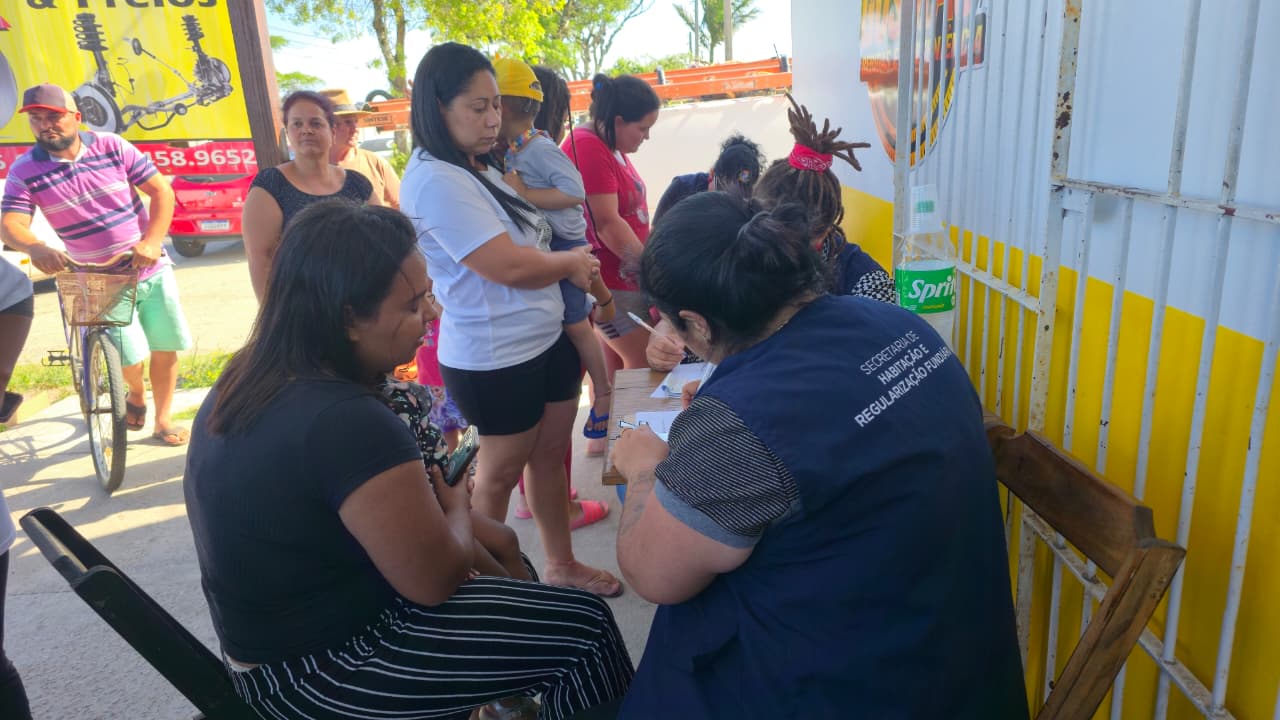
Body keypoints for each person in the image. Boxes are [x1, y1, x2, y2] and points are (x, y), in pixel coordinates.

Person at [184, 199, 633, 720]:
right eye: (413, 303)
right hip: (321, 674)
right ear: (349, 318)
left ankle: (506, 702)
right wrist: (453, 501)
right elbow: (437, 580)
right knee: (585, 629)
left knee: (518, 568)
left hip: (270, 654)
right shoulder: (345, 418)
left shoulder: (251, 375)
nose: (432, 313)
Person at [610, 192, 1028, 718]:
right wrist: (728, 412)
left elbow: (652, 576)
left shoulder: (739, 430)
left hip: (857, 686)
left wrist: (646, 465)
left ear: (697, 323)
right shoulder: (899, 324)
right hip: (963, 663)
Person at [400, 42, 620, 595]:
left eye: (498, 105)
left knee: (550, 457)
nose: (494, 118)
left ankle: (561, 564)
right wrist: (572, 262)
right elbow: (506, 265)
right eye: (478, 107)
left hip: (544, 339)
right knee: (495, 475)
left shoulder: (479, 166)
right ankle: (489, 588)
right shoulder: (434, 179)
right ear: (436, 106)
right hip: (497, 355)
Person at [643, 94, 897, 373]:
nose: (772, 246)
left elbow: (880, 356)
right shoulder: (736, 254)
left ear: (823, 233)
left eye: (792, 238)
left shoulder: (862, 281)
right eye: (763, 227)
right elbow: (694, 320)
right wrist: (669, 333)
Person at [0, 83, 193, 446]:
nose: (46, 125)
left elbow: (160, 191)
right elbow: (10, 224)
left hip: (149, 267)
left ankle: (163, 419)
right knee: (128, 356)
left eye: (54, 116)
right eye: (37, 119)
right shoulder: (26, 170)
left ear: (76, 117)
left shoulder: (111, 146)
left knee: (166, 346)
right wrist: (37, 247)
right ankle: (136, 394)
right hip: (93, 278)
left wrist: (152, 242)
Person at [494, 58, 616, 447]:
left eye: (489, 104)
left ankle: (604, 391)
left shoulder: (539, 149)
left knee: (575, 324)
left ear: (507, 107)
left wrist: (526, 194)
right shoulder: (517, 148)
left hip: (563, 242)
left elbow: (575, 192)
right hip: (552, 240)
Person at [562, 73, 660, 387]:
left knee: (616, 373)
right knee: (644, 363)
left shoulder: (609, 144)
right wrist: (652, 270)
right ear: (618, 121)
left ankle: (611, 436)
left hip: (623, 280)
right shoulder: (587, 146)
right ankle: (633, 435)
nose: (646, 138)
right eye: (642, 128)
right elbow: (607, 224)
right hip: (611, 281)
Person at [242, 90, 374, 301]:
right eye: (297, 124)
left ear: (332, 131)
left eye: (315, 123)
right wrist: (273, 318)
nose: (306, 130)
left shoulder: (357, 184)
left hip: (361, 304)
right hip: (301, 310)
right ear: (288, 132)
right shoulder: (270, 186)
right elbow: (260, 259)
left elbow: (382, 242)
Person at [651, 133, 766, 224]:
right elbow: (655, 234)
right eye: (721, 191)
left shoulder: (754, 205)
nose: (726, 204)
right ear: (711, 174)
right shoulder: (682, 187)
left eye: (739, 199)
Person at [322, 88, 401, 209]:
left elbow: (402, 204)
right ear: (327, 126)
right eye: (348, 122)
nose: (355, 128)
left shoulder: (374, 162)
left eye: (356, 122)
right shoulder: (313, 168)